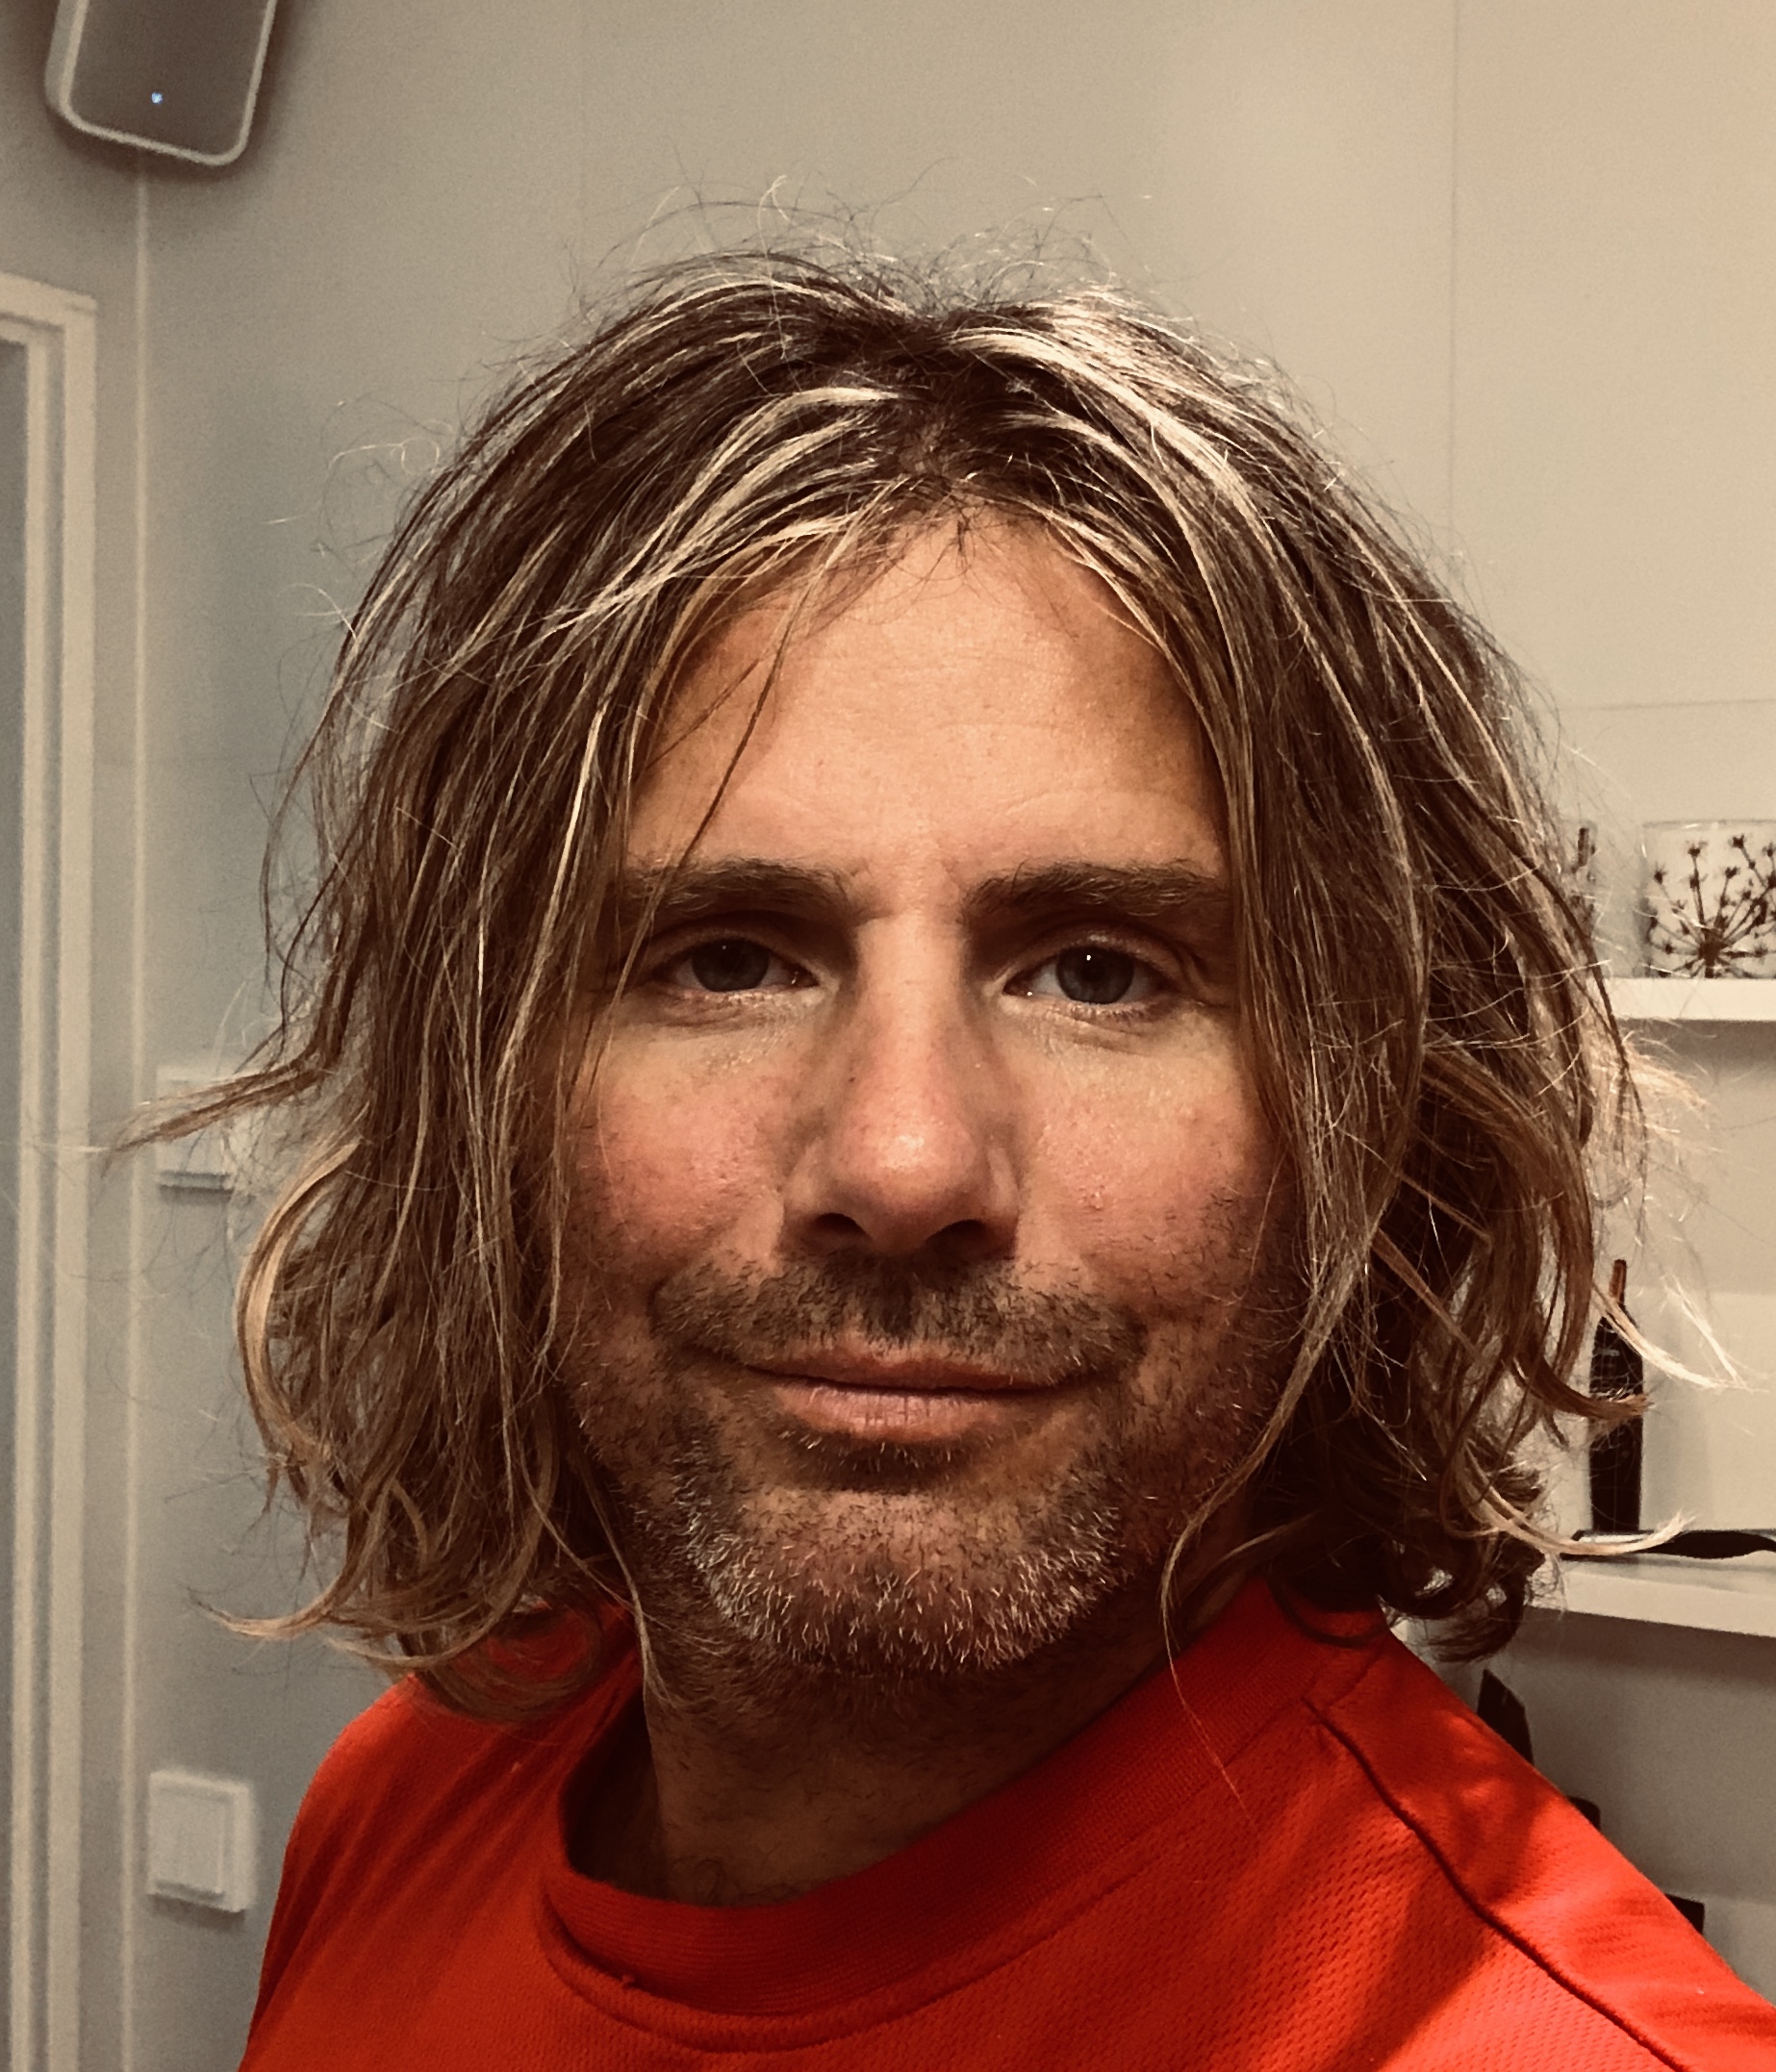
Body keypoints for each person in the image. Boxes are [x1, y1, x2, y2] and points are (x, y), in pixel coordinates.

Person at [177, 250, 1775, 2067]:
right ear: (491, 1093)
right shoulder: (402, 1796)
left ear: (1363, 1129)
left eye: (1100, 969)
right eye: (727, 958)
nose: (904, 1155)